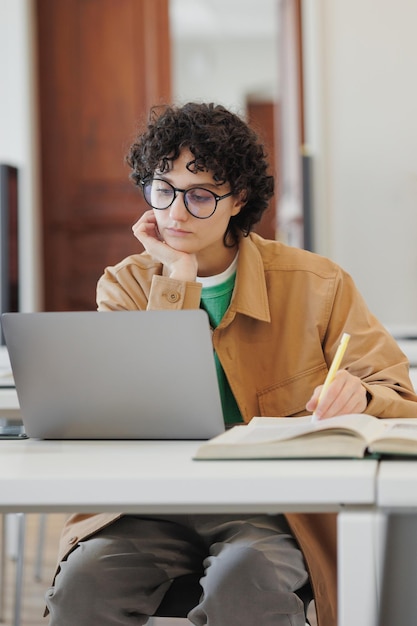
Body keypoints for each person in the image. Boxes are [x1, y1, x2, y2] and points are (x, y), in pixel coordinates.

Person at [45, 102, 417, 626]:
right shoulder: (125, 285)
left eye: (199, 195)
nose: (174, 213)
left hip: (270, 506)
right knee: (81, 588)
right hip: (147, 504)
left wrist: (362, 394)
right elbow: (136, 402)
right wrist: (176, 277)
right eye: (163, 189)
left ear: (238, 198)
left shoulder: (317, 283)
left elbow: (398, 394)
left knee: (246, 587)